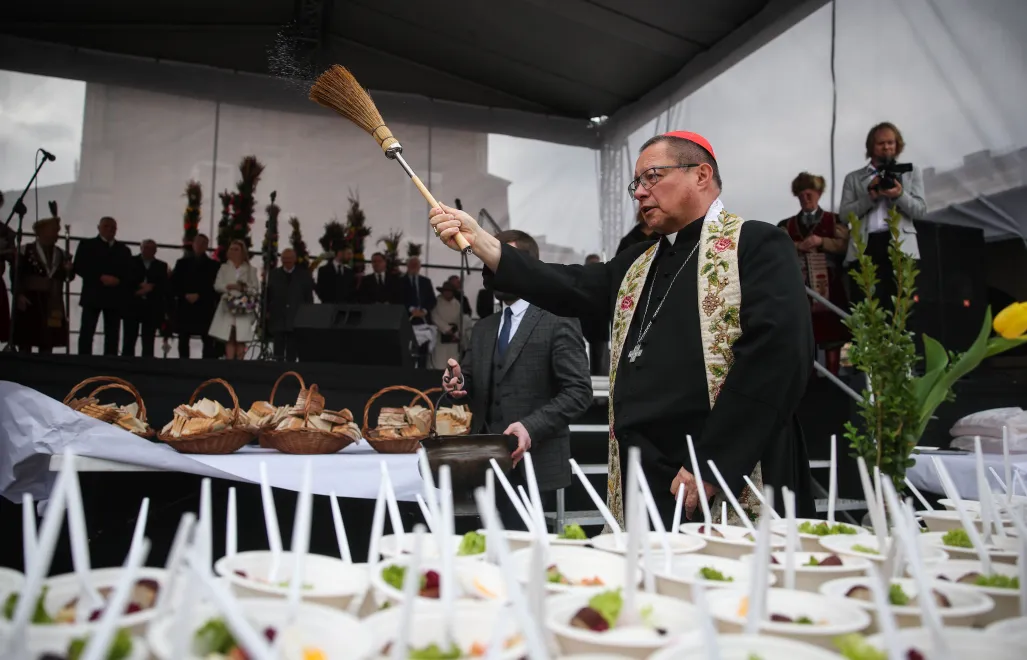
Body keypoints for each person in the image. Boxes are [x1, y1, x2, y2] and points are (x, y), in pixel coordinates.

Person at [431, 130, 815, 527]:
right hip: (644, 478)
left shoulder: (755, 245)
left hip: (719, 472)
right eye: (637, 182)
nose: (639, 192)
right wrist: (481, 242)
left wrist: (711, 461)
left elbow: (778, 358)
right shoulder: (638, 262)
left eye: (653, 177)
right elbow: (569, 285)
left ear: (701, 175)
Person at [441, 230, 593, 530]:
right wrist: (458, 383)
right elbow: (472, 381)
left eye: (494, 260)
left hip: (535, 467)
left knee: (524, 561)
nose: (487, 270)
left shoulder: (558, 318)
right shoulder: (484, 328)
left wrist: (530, 427)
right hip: (482, 467)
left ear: (523, 266)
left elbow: (579, 392)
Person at [839, 122, 926, 312]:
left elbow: (920, 210)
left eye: (891, 143)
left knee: (901, 311)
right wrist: (870, 196)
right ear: (871, 147)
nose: (887, 147)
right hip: (866, 246)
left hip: (900, 245)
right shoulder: (854, 178)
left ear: (898, 145)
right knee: (866, 308)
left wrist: (899, 195)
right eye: (881, 143)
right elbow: (844, 216)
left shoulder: (911, 172)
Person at [778, 173, 850, 375]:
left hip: (830, 283)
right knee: (804, 332)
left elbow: (845, 246)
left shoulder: (834, 220)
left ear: (818, 194)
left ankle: (833, 375)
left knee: (832, 332)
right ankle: (806, 379)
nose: (805, 199)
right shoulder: (787, 225)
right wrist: (797, 245)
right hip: (800, 287)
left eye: (809, 194)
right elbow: (778, 250)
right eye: (801, 196)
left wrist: (822, 242)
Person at [13, 215, 73, 353]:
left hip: (52, 298)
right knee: (26, 336)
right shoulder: (25, 250)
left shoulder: (62, 254)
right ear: (41, 232)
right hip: (30, 297)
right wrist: (19, 294)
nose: (55, 234)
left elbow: (68, 277)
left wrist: (68, 270)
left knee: (48, 338)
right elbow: (16, 275)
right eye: (52, 230)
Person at [73, 216, 132, 355]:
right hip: (93, 294)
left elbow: (130, 271)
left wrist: (119, 281)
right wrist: (99, 277)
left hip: (114, 297)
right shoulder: (87, 245)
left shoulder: (123, 250)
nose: (110, 230)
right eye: (106, 226)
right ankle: (84, 360)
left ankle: (110, 362)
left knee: (113, 333)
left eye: (113, 227)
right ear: (98, 227)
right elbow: (80, 266)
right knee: (87, 330)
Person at [171, 234, 220, 359]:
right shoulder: (182, 263)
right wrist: (185, 295)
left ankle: (207, 368)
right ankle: (183, 366)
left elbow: (215, 287)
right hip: (185, 306)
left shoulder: (213, 265)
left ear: (207, 246)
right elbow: (174, 284)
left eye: (203, 243)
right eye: (198, 242)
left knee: (208, 340)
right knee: (183, 339)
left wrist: (200, 295)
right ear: (193, 244)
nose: (200, 245)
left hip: (204, 307)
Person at [209, 239, 259, 360]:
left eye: (236, 249)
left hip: (243, 306)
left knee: (240, 336)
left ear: (242, 252)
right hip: (228, 305)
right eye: (231, 249)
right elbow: (217, 285)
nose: (233, 251)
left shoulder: (250, 270)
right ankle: (229, 362)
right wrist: (229, 288)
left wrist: (241, 288)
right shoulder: (224, 267)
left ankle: (240, 364)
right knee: (229, 335)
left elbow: (255, 289)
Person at [122, 239, 169, 358]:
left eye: (152, 248)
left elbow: (164, 286)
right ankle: (126, 364)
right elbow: (125, 280)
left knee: (148, 340)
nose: (149, 250)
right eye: (146, 247)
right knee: (129, 338)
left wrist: (151, 288)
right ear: (141, 248)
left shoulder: (161, 266)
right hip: (132, 305)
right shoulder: (130, 262)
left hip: (152, 307)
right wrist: (138, 289)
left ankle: (147, 366)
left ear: (156, 251)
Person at [267, 248, 315, 361]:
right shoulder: (274, 274)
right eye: (284, 259)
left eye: (289, 259)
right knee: (278, 351)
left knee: (292, 352)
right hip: (278, 317)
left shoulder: (303, 275)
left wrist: (307, 314)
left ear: (295, 259)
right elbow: (268, 295)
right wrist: (267, 312)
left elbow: (308, 297)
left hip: (296, 318)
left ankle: (290, 373)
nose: (287, 261)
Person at [430, 280, 473, 369]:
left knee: (452, 363)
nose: (448, 293)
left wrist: (457, 331)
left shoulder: (457, 303)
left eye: (449, 291)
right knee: (439, 362)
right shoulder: (436, 302)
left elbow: (460, 319)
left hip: (453, 338)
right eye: (446, 291)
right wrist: (446, 329)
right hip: (440, 336)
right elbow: (434, 316)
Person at [580, 253, 610, 375]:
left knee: (599, 363)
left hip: (597, 329)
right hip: (588, 329)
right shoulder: (603, 282)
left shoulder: (605, 283)